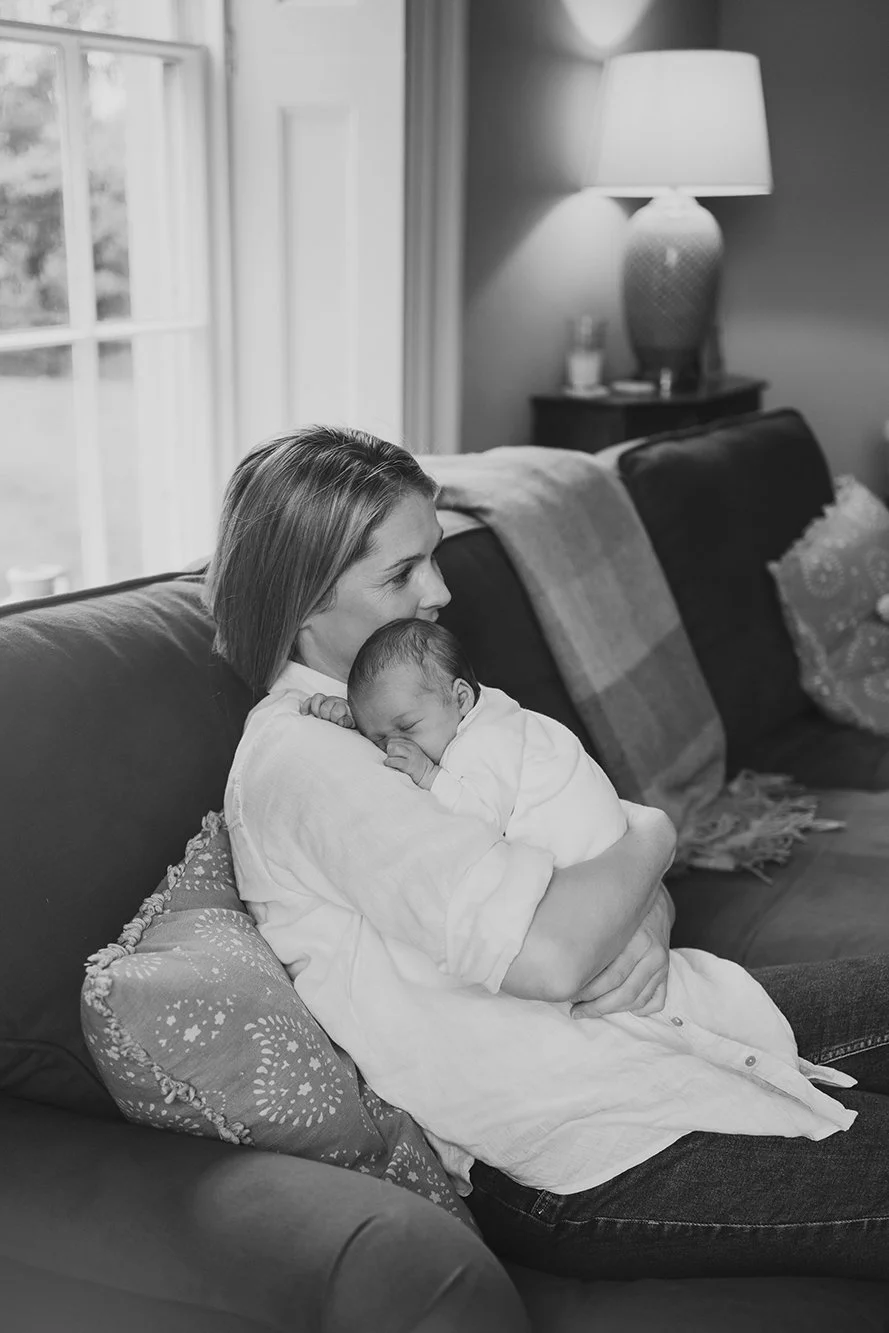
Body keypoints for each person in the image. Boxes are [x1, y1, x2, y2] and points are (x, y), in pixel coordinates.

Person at [206, 424, 889, 1282]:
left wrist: (639, 918)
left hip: (674, 1017)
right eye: (400, 573)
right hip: (578, 1140)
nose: (441, 591)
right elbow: (557, 952)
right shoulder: (308, 763)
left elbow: (587, 847)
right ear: (302, 601)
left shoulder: (413, 697)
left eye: (435, 557)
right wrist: (657, 832)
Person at [299, 615, 851, 1069]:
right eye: (379, 739)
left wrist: (427, 775)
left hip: (602, 904)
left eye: (406, 729)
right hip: (609, 926)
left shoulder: (482, 746)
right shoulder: (459, 718)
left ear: (462, 697)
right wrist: (360, 725)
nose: (394, 748)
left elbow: (472, 811)